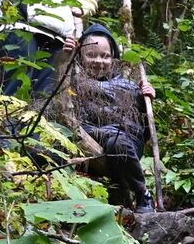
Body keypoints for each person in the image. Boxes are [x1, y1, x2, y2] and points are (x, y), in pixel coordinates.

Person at [66, 24, 154, 210]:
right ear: (80, 56)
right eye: (91, 55)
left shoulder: (128, 85)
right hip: (89, 137)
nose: (99, 61)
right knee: (110, 137)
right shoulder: (72, 81)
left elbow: (144, 131)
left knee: (117, 141)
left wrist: (146, 100)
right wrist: (64, 59)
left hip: (124, 143)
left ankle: (142, 193)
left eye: (105, 56)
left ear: (113, 59)